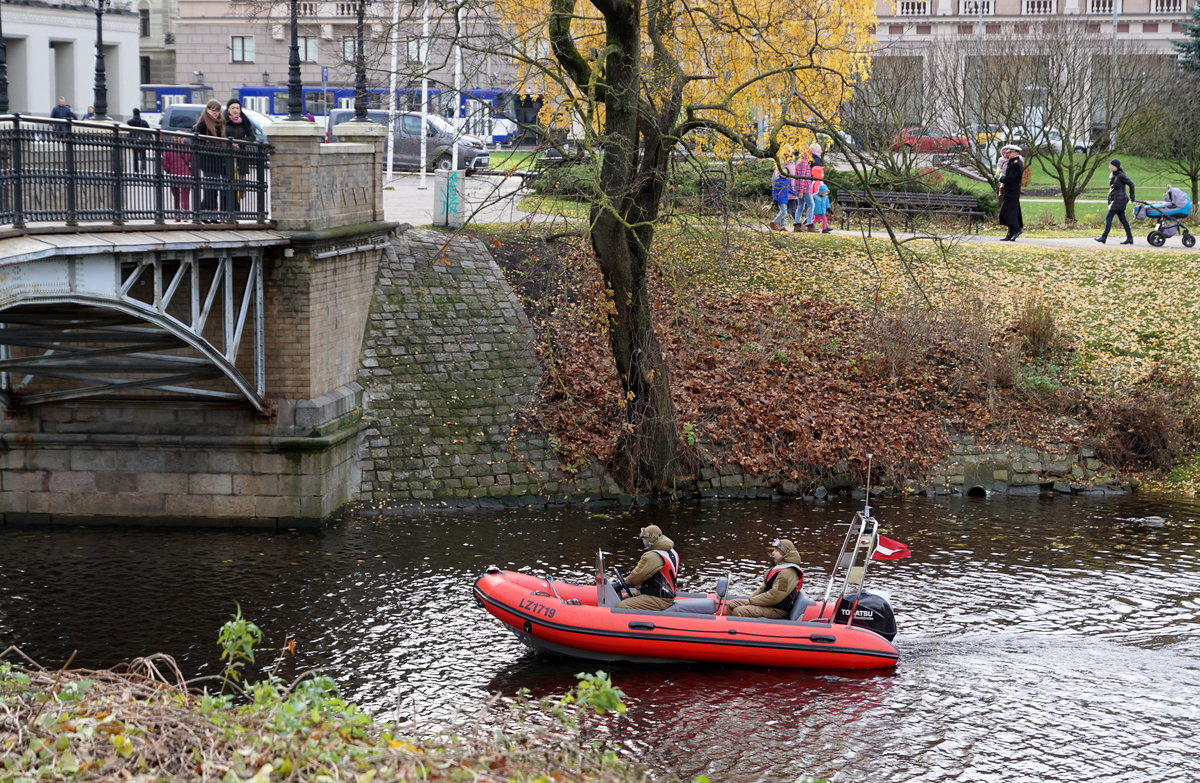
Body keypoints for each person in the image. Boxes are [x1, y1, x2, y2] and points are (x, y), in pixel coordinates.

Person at [727, 538, 805, 618]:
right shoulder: (779, 567)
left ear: (785, 554)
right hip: (769, 605)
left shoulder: (788, 572)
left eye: (776, 551)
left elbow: (775, 595)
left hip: (778, 610)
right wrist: (750, 599)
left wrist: (751, 601)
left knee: (740, 611)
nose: (773, 553)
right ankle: (727, 628)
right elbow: (763, 588)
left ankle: (737, 629)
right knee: (732, 604)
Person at [614, 524, 680, 611]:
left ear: (651, 539)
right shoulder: (670, 551)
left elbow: (637, 576)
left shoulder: (653, 556)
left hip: (659, 598)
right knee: (624, 598)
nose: (643, 541)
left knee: (622, 606)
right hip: (662, 594)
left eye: (644, 538)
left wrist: (621, 584)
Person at [191, 99, 229, 222]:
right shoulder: (202, 125)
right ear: (207, 110)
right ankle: (203, 212)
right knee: (210, 187)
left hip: (218, 159)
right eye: (212, 110)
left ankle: (209, 213)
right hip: (207, 160)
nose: (215, 113)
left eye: (217, 110)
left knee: (215, 186)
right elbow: (196, 141)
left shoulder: (221, 124)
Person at [223, 99, 259, 212]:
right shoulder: (223, 120)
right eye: (233, 108)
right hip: (226, 156)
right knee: (227, 185)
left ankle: (237, 212)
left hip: (241, 157)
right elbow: (220, 136)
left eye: (237, 108)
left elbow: (252, 137)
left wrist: (240, 142)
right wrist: (230, 143)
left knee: (239, 186)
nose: (235, 110)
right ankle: (226, 211)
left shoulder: (244, 121)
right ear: (228, 109)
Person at [1095, 159, 1135, 245]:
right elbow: (1112, 188)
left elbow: (1131, 184)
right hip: (1115, 199)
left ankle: (1104, 237)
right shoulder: (1112, 175)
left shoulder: (1121, 175)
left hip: (1119, 200)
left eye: (1111, 165)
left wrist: (1132, 196)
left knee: (1109, 217)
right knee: (1123, 219)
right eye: (1109, 165)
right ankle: (1130, 238)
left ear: (1116, 166)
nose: (1109, 167)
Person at [163, 137, 193, 221]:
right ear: (183, 139)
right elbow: (192, 162)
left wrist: (170, 170)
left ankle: (177, 216)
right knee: (185, 195)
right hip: (186, 175)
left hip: (174, 175)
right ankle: (186, 216)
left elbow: (165, 164)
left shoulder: (168, 149)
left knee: (176, 196)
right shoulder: (188, 149)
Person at [998, 145, 1024, 242]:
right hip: (1010, 190)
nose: (1007, 154)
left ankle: (1016, 229)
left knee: (1006, 212)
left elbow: (1011, 178)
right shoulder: (1012, 162)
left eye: (1010, 152)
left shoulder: (1017, 163)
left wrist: (1001, 178)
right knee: (1012, 212)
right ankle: (1010, 233)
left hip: (1013, 191)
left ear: (1015, 153)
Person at [792, 149, 813, 232]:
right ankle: (809, 225)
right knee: (811, 205)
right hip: (805, 188)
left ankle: (797, 225)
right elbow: (801, 177)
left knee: (800, 206)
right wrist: (801, 190)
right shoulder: (803, 162)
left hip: (801, 188)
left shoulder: (800, 161)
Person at [806, 143, 825, 232]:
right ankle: (808, 223)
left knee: (811, 205)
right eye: (819, 150)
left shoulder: (810, 158)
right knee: (813, 205)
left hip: (810, 185)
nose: (821, 152)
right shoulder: (816, 160)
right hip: (813, 188)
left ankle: (808, 222)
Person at [127, 107, 151, 173]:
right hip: (143, 141)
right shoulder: (144, 122)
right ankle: (143, 168)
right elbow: (149, 132)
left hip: (134, 140)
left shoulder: (130, 122)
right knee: (143, 156)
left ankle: (136, 170)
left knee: (135, 156)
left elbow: (127, 132)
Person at [769, 166, 791, 232]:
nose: (783, 174)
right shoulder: (778, 180)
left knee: (783, 212)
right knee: (784, 213)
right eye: (782, 173)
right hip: (780, 198)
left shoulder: (787, 181)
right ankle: (774, 222)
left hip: (785, 199)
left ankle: (782, 226)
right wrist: (775, 198)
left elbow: (790, 190)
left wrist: (797, 194)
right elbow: (774, 190)